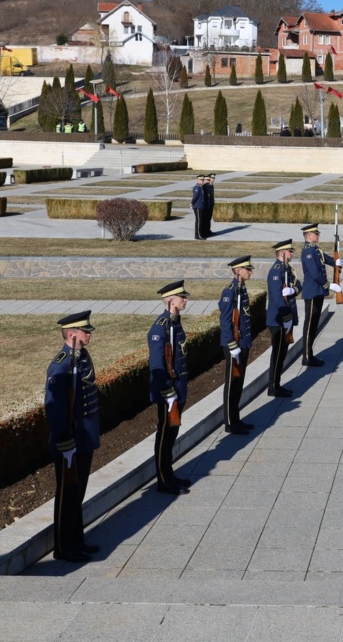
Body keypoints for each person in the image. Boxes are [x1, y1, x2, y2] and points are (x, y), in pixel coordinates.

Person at [45, 310, 101, 563]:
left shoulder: (82, 357)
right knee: (67, 495)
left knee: (77, 493)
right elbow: (54, 408)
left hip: (84, 438)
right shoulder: (61, 365)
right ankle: (63, 546)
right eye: (84, 331)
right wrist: (65, 441)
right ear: (71, 334)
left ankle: (77, 540)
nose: (89, 334)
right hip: (69, 442)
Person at [148, 281, 191, 495]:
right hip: (169, 393)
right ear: (171, 300)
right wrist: (168, 391)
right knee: (165, 436)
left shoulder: (175, 322)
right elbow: (157, 364)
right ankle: (163, 480)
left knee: (171, 435)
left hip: (178, 389)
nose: (186, 300)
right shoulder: (160, 327)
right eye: (182, 297)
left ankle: (169, 473)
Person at [219, 257, 254, 435]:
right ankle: (229, 422)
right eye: (247, 269)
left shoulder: (241, 289)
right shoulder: (230, 291)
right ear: (238, 271)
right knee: (232, 383)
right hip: (234, 344)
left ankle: (236, 418)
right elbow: (225, 321)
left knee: (239, 383)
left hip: (243, 342)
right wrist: (232, 344)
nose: (250, 271)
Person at [299, 224, 339, 367]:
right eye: (316, 233)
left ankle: (310, 354)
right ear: (309, 235)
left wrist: (335, 262)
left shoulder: (315, 249)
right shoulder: (308, 251)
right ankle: (307, 357)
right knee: (310, 325)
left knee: (314, 324)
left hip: (317, 291)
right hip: (312, 292)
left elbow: (324, 258)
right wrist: (328, 285)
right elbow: (315, 273)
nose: (318, 235)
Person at [265, 241, 299, 399]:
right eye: (290, 251)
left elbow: (299, 284)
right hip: (278, 320)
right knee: (277, 355)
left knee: (282, 354)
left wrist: (293, 290)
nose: (292, 254)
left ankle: (276, 384)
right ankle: (273, 387)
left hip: (286, 319)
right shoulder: (276, 271)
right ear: (282, 253)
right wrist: (286, 318)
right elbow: (278, 298)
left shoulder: (287, 269)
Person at [190, 174, 210, 240]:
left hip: (201, 206)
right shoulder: (197, 187)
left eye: (203, 180)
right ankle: (198, 235)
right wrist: (192, 203)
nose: (202, 181)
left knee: (201, 221)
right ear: (197, 180)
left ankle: (201, 234)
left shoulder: (200, 187)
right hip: (198, 206)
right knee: (198, 221)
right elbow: (195, 197)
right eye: (201, 180)